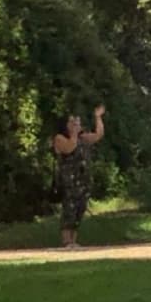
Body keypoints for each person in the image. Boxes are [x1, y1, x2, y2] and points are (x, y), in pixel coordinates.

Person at [50, 106, 104, 248]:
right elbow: (70, 148)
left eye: (78, 123)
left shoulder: (82, 138)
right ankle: (66, 241)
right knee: (69, 210)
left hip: (83, 181)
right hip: (68, 181)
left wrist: (98, 117)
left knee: (80, 210)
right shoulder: (60, 138)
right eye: (73, 122)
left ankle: (74, 240)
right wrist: (73, 133)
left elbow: (98, 135)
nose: (76, 125)